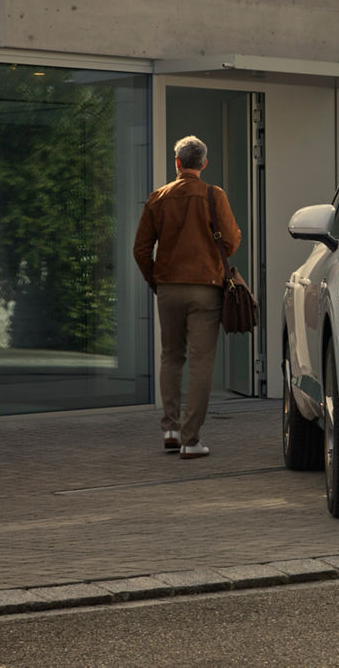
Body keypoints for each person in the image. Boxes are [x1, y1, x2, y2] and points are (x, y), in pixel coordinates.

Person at [133, 136, 242, 459]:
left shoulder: (158, 197)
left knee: (170, 356)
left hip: (168, 287)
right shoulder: (213, 195)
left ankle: (169, 427)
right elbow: (232, 240)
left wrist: (157, 280)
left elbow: (140, 249)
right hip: (206, 287)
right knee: (201, 361)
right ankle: (190, 439)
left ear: (177, 162)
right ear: (203, 164)